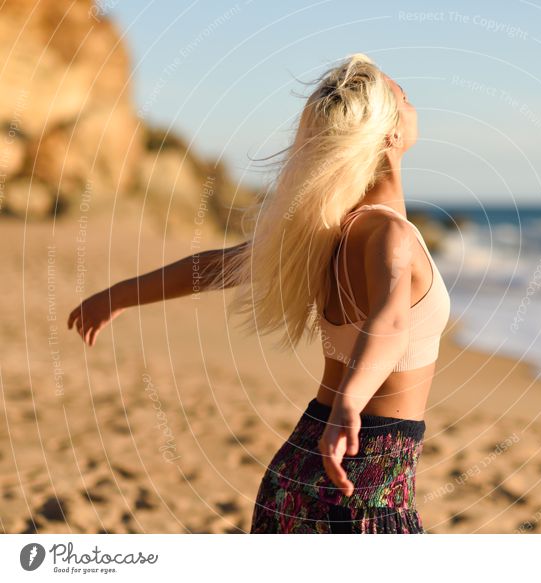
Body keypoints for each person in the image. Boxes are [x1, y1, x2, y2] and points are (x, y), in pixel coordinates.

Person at [68, 53, 450, 534]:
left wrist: (120, 294)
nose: (415, 104)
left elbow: (215, 267)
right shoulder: (390, 236)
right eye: (406, 97)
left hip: (298, 469)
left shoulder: (324, 231)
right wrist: (350, 403)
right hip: (365, 478)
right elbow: (391, 320)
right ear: (389, 134)